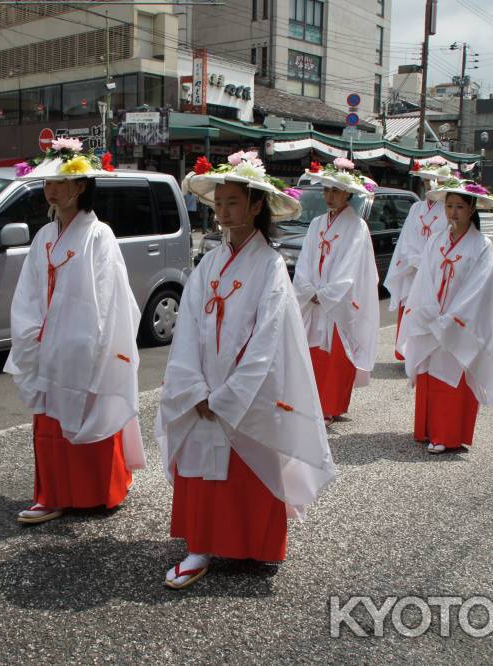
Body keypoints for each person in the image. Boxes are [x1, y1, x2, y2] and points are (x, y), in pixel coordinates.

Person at [156, 151, 335, 589]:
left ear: (257, 206)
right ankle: (199, 546)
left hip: (244, 395)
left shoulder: (271, 265)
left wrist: (228, 397)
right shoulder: (210, 264)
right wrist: (194, 387)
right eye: (218, 204)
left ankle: (253, 544)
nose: (223, 212)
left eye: (233, 202)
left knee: (248, 464)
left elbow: (269, 339)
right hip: (204, 388)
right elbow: (188, 329)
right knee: (202, 463)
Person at [5, 138, 146, 525]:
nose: (51, 189)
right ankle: (53, 494)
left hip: (82, 345)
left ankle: (100, 490)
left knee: (91, 411)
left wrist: (91, 342)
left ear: (81, 186)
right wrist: (33, 331)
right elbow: (28, 292)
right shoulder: (44, 237)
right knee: (51, 425)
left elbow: (107, 296)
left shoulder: (99, 235)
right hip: (47, 342)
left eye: (60, 182)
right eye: (47, 183)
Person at [397, 179, 493, 454]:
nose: (453, 213)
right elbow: (425, 280)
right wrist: (430, 311)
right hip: (432, 317)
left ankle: (447, 434)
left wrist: (451, 319)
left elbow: (479, 287)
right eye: (449, 206)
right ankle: (427, 429)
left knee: (452, 373)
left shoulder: (482, 245)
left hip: (459, 323)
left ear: (471, 209)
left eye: (459, 207)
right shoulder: (436, 240)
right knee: (430, 371)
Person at [293, 158, 379, 425]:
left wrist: (327, 293)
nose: (330, 196)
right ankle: (312, 403)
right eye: (327, 190)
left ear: (348, 194)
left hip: (337, 301)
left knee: (336, 356)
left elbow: (351, 266)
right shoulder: (317, 223)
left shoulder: (357, 226)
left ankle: (332, 406)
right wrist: (308, 290)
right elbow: (305, 260)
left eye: (336, 191)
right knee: (314, 353)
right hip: (314, 297)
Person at [384, 157, 452, 361]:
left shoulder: (448, 209)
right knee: (411, 308)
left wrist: (426, 262)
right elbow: (406, 237)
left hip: (434, 269)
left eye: (434, 181)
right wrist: (412, 259)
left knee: (431, 307)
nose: (429, 185)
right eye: (425, 180)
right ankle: (407, 351)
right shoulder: (416, 208)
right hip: (412, 268)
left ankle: (427, 351)